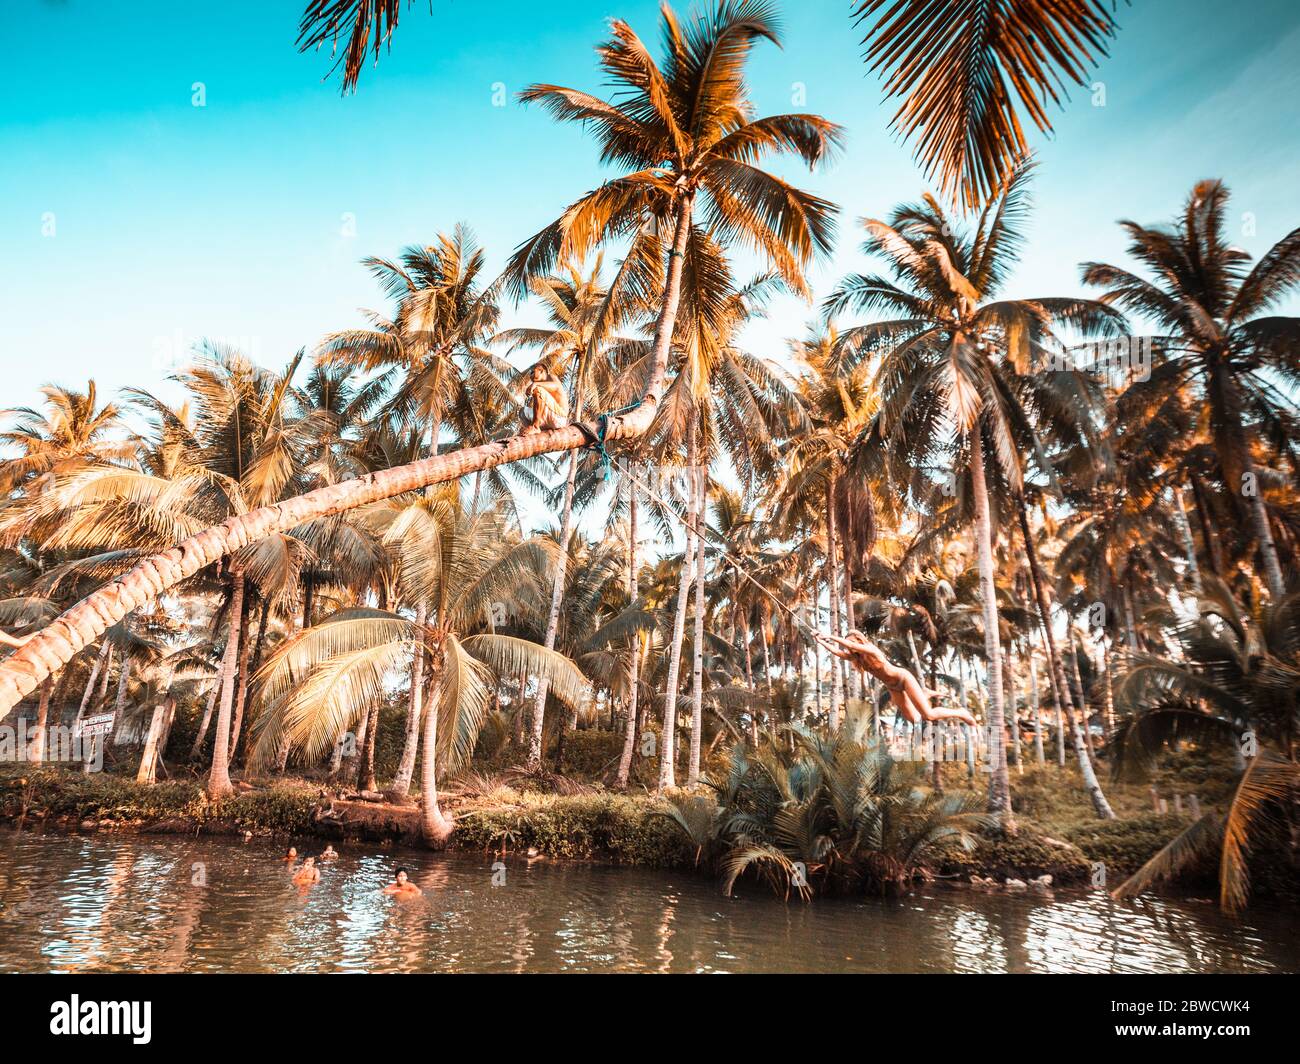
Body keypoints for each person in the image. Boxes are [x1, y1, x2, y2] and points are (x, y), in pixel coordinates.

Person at [817, 630, 977, 727]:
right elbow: (838, 652)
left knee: (928, 715)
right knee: (914, 719)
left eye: (851, 642)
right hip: (893, 687)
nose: (848, 646)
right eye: (847, 644)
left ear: (859, 641)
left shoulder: (871, 649)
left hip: (903, 679)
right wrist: (820, 640)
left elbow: (851, 646)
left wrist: (829, 636)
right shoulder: (857, 658)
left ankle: (960, 712)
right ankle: (925, 694)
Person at [520, 364, 568, 434]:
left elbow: (556, 386)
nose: (530, 376)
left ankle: (535, 427)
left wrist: (535, 384)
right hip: (545, 418)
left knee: (538, 389)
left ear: (541, 371)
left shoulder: (551, 377)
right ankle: (532, 430)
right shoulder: (539, 384)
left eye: (532, 372)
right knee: (522, 412)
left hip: (559, 418)